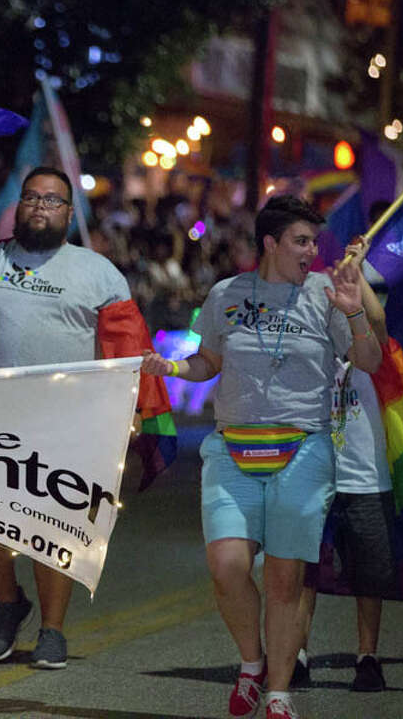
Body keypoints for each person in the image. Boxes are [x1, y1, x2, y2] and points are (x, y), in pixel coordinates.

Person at [0, 165, 166, 670]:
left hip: (68, 424)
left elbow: (127, 350)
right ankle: (9, 602)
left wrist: (136, 416)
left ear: (69, 213)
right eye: (32, 198)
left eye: (52, 200)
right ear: (19, 207)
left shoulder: (98, 272)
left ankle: (52, 630)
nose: (40, 207)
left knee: (55, 528)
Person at [141, 195, 381, 719]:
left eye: (315, 242)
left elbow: (368, 359)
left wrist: (354, 309)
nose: (312, 251)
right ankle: (252, 663)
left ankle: (277, 692)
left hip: (303, 448)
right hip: (232, 447)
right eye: (301, 241)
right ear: (270, 244)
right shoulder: (227, 293)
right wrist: (173, 369)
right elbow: (208, 362)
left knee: (283, 578)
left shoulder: (324, 291)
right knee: (227, 566)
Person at [296, 237, 394, 693]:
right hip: (313, 469)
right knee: (302, 569)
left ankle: (367, 657)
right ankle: (297, 653)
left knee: (368, 573)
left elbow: (376, 320)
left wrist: (360, 270)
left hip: (363, 474)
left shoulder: (365, 351)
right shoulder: (309, 352)